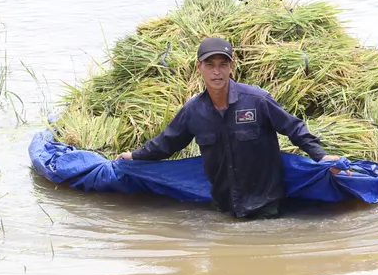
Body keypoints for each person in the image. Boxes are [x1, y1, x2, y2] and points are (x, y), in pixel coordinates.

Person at [116, 37, 341, 218]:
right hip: (224, 206)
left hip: (266, 206)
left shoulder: (257, 100)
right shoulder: (193, 111)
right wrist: (134, 156)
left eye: (223, 65)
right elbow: (166, 143)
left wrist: (321, 157)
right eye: (210, 65)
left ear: (231, 66)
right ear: (199, 67)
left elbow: (294, 128)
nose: (217, 72)